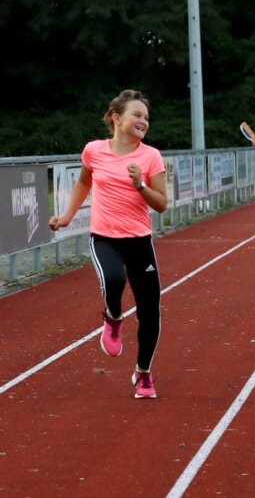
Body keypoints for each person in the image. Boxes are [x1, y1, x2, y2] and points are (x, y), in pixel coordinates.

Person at [49, 89, 169, 399]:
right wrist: (66, 216)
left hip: (139, 240)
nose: (143, 121)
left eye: (146, 117)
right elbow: (84, 182)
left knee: (150, 312)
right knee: (115, 279)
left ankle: (143, 373)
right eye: (137, 115)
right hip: (104, 238)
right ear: (117, 118)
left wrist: (140, 184)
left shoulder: (151, 156)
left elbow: (161, 204)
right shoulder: (93, 151)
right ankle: (114, 317)